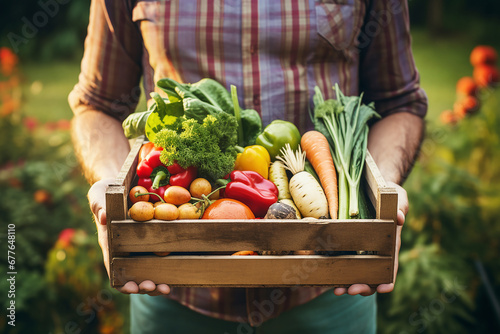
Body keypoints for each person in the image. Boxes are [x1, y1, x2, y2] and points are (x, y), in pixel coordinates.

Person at [69, 0, 427, 333]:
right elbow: (97, 105)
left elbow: (400, 103)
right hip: (173, 293)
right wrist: (107, 185)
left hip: (331, 287)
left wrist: (384, 188)